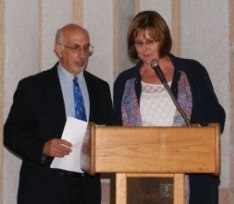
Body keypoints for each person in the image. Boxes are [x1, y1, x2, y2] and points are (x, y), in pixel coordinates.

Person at [112, 10, 225, 204]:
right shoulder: (125, 81)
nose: (145, 49)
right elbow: (117, 129)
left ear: (162, 39)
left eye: (151, 41)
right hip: (142, 176)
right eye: (139, 43)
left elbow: (216, 115)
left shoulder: (191, 71)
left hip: (192, 173)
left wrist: (197, 130)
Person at [4, 23, 113, 204]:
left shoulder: (100, 88)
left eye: (86, 48)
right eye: (75, 48)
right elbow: (12, 133)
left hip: (87, 189)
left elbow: (110, 132)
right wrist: (43, 148)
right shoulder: (33, 87)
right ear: (59, 49)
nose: (82, 55)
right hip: (45, 188)